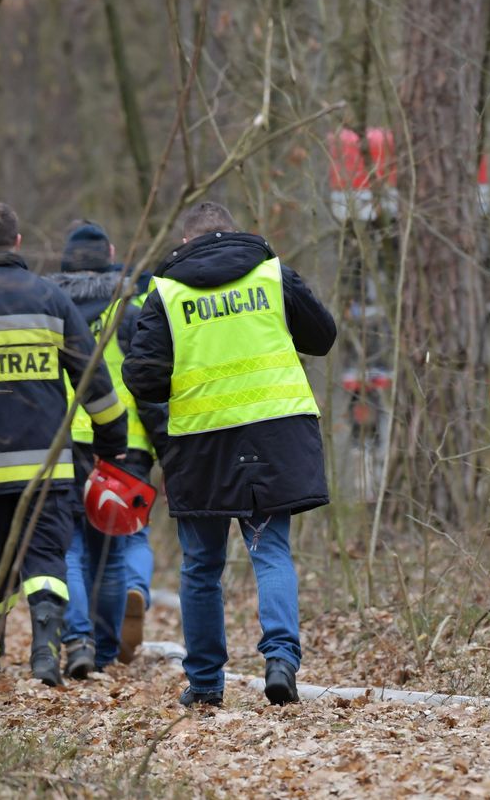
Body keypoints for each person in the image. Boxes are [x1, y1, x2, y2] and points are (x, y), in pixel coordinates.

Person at [123, 201, 336, 707]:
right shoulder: (270, 275)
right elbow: (323, 337)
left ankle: (204, 685)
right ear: (235, 233)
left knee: (201, 567)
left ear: (183, 243)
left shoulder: (167, 293)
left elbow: (141, 377)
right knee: (271, 552)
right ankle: (281, 659)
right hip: (276, 435)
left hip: (202, 444)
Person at [0, 203, 127, 687]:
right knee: (46, 558)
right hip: (46, 463)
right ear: (17, 243)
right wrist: (111, 441)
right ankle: (44, 652)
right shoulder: (50, 299)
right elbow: (92, 377)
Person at [46, 220, 168, 677]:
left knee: (71, 548)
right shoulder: (133, 307)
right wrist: (166, 449)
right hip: (126, 445)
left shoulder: (50, 307)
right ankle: (106, 645)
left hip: (63, 444)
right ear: (113, 253)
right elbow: (151, 385)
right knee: (120, 545)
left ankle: (77, 642)